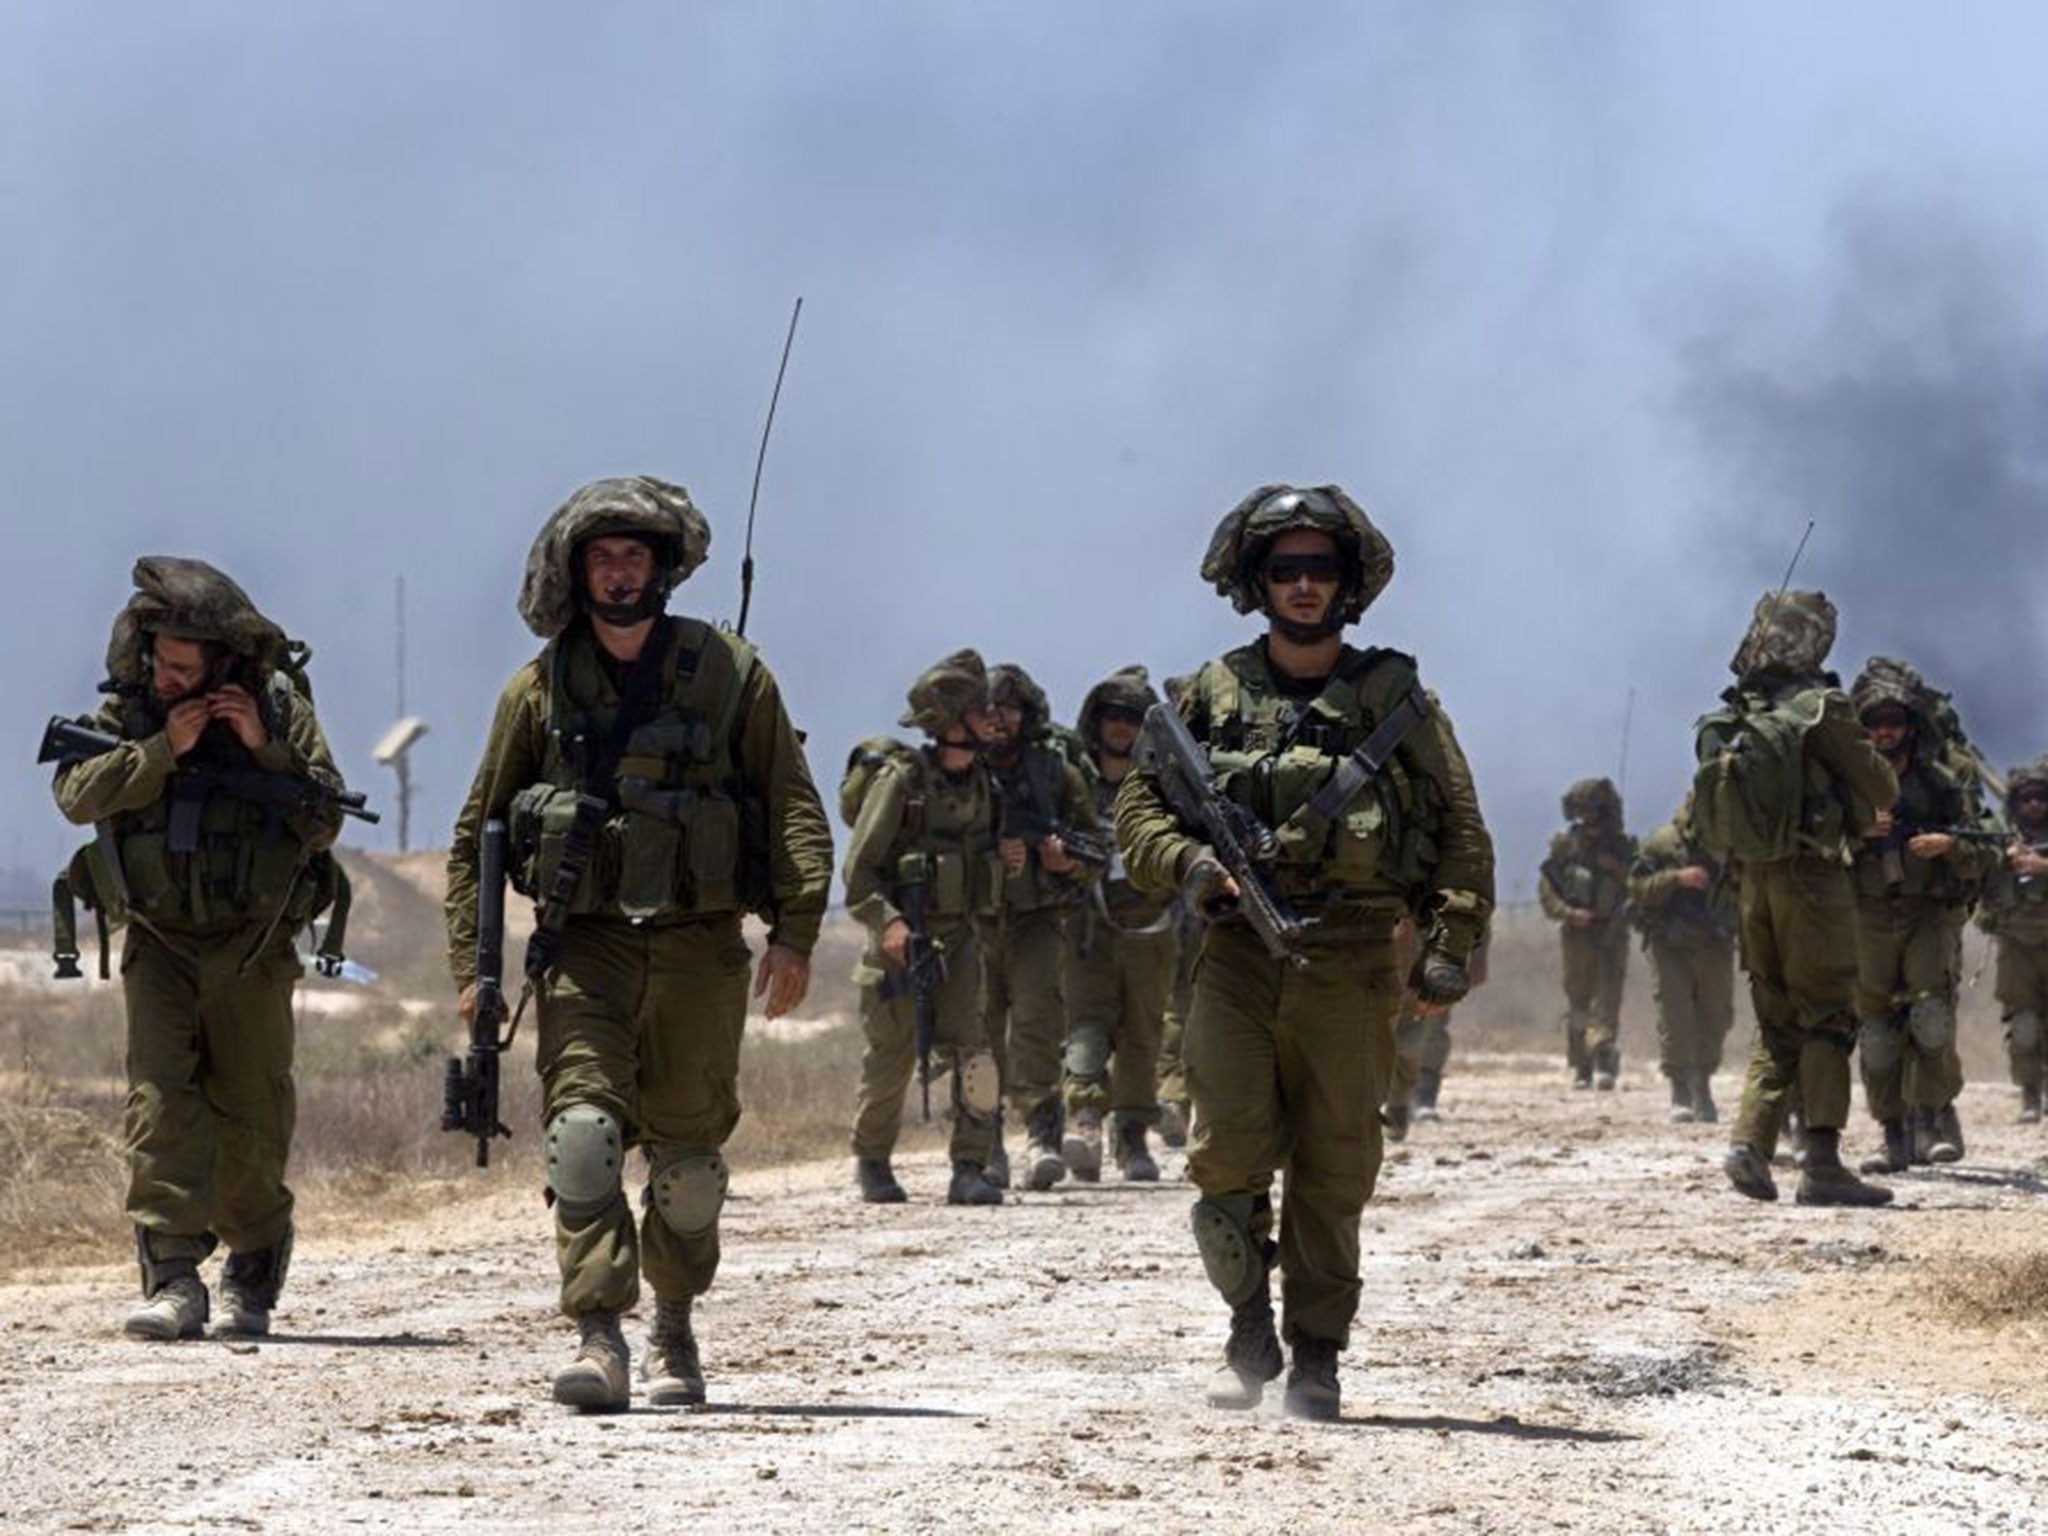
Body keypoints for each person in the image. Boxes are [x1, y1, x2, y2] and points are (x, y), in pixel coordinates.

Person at [445, 476, 833, 1411]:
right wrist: (475, 967)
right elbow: (477, 833)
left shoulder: (731, 672)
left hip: (702, 949)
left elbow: (791, 803)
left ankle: (674, 1327)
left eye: (634, 556)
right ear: (578, 573)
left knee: (689, 1171)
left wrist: (796, 933)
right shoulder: (536, 690)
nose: (619, 573)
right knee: (581, 1139)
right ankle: (598, 1330)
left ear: (663, 568)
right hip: (586, 950)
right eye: (602, 557)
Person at [1117, 483, 1493, 1420]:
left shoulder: (1394, 699)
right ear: (1258, 581)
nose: (1303, 586)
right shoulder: (1208, 695)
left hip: (1354, 959)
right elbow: (1138, 813)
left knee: (1335, 1166)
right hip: (1239, 957)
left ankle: (1317, 1351)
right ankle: (1248, 1325)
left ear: (1347, 583)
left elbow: (1459, 828)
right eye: (1285, 570)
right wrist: (1193, 864)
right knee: (1225, 1154)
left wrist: (1450, 943)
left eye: (1320, 570)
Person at [53, 558, 348, 1340]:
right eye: (160, 661)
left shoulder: (280, 711)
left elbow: (325, 818)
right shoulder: (129, 711)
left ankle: (254, 1258)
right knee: (158, 1107)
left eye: (184, 666)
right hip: (157, 941)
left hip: (252, 948)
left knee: (251, 1113)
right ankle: (174, 1278)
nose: (168, 675)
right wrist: (161, 752)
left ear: (221, 662)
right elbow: (76, 795)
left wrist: (262, 749)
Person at [1706, 590, 1897, 1207]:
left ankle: (1751, 1143)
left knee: (1775, 1018)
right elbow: (1882, 782)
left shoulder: (1739, 709)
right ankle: (1821, 1162)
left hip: (1752, 881)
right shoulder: (1822, 707)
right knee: (1828, 1015)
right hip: (1813, 880)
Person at [844, 649, 1006, 1207]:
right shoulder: (902, 781)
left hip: (961, 940)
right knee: (892, 1059)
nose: (994, 719)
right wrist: (887, 925)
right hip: (901, 943)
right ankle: (872, 1159)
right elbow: (859, 873)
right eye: (983, 709)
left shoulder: (985, 785)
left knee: (975, 1054)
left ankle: (970, 1166)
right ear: (952, 719)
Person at [1846, 658, 1995, 1172]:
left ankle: (1936, 1114)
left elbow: (1986, 850)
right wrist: (1855, 832)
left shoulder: (1941, 784)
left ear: (1910, 727)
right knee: (1878, 1032)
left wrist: (1949, 845)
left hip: (1927, 913)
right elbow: (1814, 848)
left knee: (1930, 1019)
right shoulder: (1847, 785)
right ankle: (1892, 1135)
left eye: (1894, 722)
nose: (1885, 732)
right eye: (1875, 723)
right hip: (1867, 916)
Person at [979, 663, 1100, 1190]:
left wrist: (1064, 864)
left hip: (1037, 918)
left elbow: (1094, 848)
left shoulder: (1053, 773)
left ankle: (1042, 1137)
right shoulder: (956, 770)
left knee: (1037, 1027)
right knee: (977, 1038)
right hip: (974, 923)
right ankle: (981, 1145)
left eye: (1010, 707)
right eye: (989, 707)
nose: (999, 718)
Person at [1062, 665, 1177, 1182]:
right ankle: (1084, 1118)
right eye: (1112, 717)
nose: (1121, 728)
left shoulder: (1161, 786)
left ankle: (1131, 1137)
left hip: (1150, 921)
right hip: (1087, 923)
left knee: (1143, 1030)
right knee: (1087, 1023)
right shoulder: (1072, 784)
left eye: (1132, 719)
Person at [1627, 795, 1737, 1123]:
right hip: (1670, 943)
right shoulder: (1661, 844)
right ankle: (1680, 1087)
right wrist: (1676, 878)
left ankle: (1702, 1083)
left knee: (1716, 1015)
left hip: (1715, 942)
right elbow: (1637, 887)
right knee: (1676, 1015)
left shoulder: (1731, 845)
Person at [1539, 778, 1635, 1090]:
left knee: (1608, 1000)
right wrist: (1570, 914)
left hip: (1612, 932)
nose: (1592, 825)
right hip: (1578, 934)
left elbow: (1641, 887)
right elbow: (1547, 891)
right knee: (1580, 1000)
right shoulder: (1565, 847)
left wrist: (1617, 869)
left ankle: (1604, 1057)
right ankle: (1582, 1065)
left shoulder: (1624, 848)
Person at [1977, 757, 2048, 1123]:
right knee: (2023, 1028)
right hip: (2016, 943)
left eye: (2042, 798)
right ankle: (2030, 1096)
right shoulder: (2001, 838)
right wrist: (2001, 861)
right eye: (2027, 799)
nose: (2034, 805)